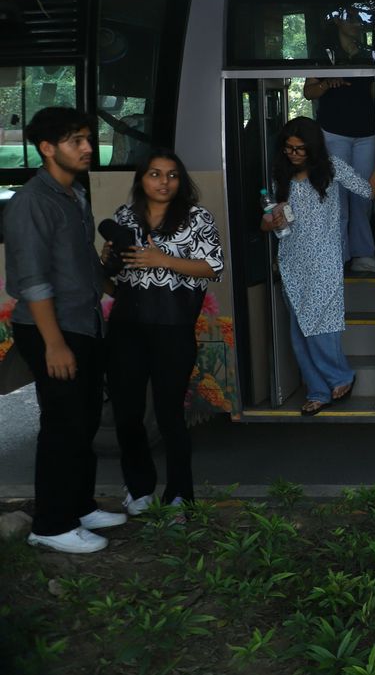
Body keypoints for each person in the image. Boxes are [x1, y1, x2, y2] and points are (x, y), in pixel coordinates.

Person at [2, 107, 126, 553]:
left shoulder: (74, 194)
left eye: (88, 138)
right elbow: (33, 280)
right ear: (47, 148)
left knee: (85, 419)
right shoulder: (32, 203)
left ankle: (79, 505)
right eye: (77, 141)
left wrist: (110, 284)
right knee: (63, 424)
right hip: (51, 328)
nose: (89, 148)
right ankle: (52, 525)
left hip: (83, 322)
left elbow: (80, 260)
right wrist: (54, 344)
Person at [103, 151, 224, 516]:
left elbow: (213, 266)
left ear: (180, 180)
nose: (164, 182)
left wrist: (163, 260)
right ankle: (139, 488)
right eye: (155, 174)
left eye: (172, 175)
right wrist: (107, 259)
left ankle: (179, 496)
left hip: (173, 327)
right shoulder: (126, 217)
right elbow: (113, 281)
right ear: (141, 179)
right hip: (127, 328)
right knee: (127, 413)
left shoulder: (197, 217)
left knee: (170, 414)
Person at [261, 117, 374, 415]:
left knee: (322, 325)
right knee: (298, 332)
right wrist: (272, 221)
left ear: (313, 148)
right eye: (289, 148)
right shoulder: (280, 175)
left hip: (324, 259)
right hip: (291, 259)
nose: (294, 154)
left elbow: (366, 190)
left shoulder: (332, 167)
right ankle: (318, 391)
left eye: (300, 149)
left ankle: (341, 376)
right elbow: (267, 222)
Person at [303, 10, 375, 272]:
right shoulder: (323, 51)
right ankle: (338, 254)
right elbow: (308, 91)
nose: (357, 24)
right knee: (337, 196)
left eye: (360, 20)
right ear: (337, 20)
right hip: (334, 131)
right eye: (351, 18)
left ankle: (362, 254)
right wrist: (327, 83)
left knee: (363, 195)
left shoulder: (369, 53)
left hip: (367, 132)